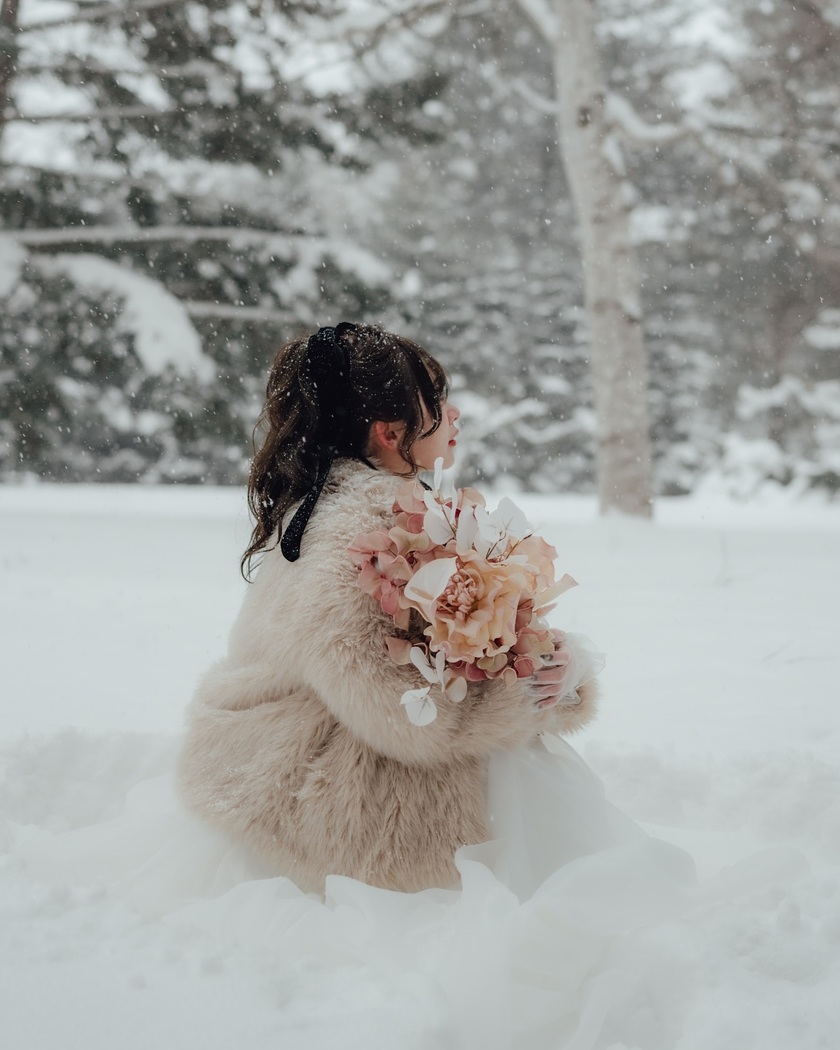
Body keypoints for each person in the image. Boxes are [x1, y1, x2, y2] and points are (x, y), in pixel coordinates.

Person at [177, 321, 600, 895]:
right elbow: (397, 711)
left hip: (257, 757)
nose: (455, 417)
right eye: (438, 403)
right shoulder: (371, 520)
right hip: (311, 790)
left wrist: (529, 658)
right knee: (528, 781)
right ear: (389, 432)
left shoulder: (326, 504)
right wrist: (529, 688)